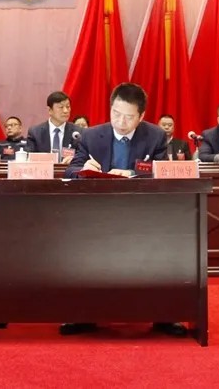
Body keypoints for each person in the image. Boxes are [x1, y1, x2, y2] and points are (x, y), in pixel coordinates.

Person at [63, 83, 184, 337]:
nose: (121, 122)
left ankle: (163, 315)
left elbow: (161, 172)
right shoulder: (91, 135)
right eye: (116, 114)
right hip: (98, 214)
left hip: (142, 213)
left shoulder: (155, 136)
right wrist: (84, 169)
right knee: (80, 250)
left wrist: (130, 174)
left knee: (166, 247)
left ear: (141, 116)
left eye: (129, 117)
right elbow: (71, 170)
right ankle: (83, 315)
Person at [27, 91, 79, 161]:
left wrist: (74, 159)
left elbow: (83, 156)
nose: (66, 111)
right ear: (50, 110)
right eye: (61, 107)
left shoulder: (78, 132)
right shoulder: (35, 133)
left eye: (68, 107)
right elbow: (30, 158)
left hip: (69, 168)